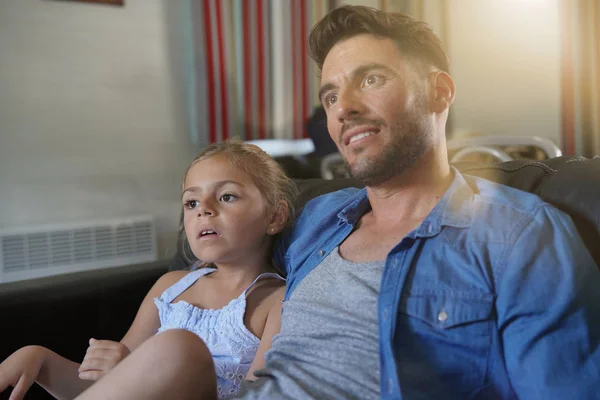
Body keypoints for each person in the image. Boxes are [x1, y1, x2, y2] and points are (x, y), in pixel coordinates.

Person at [8, 5, 600, 400]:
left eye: (370, 79)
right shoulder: (315, 218)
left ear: (440, 90)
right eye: (331, 92)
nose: (341, 108)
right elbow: (220, 263)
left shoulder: (519, 236)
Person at [0, 139, 297, 400]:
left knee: (179, 348)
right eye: (191, 202)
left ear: (275, 215)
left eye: (226, 196)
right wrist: (42, 360)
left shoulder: (279, 302)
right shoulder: (171, 286)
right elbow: (103, 388)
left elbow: (262, 395)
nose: (203, 209)